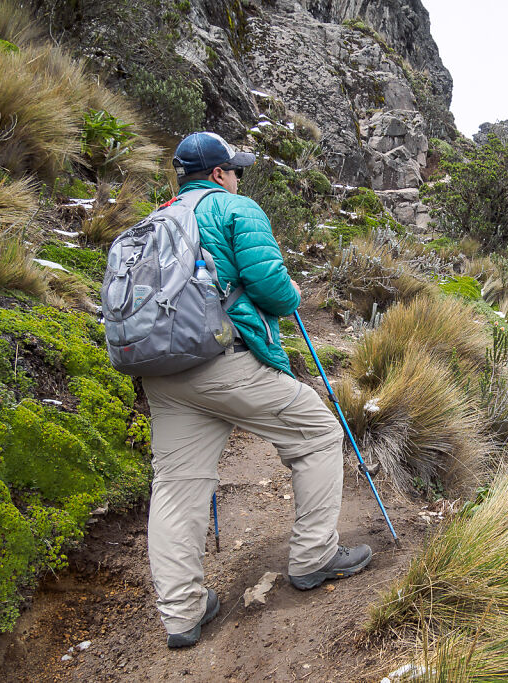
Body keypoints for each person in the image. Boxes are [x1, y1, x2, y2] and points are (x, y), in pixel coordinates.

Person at [143, 131, 372, 649]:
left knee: (177, 483)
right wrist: (292, 292)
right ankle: (314, 557)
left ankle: (182, 614)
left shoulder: (156, 219)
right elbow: (271, 289)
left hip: (161, 370)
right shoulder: (235, 208)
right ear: (220, 174)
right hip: (223, 358)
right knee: (316, 430)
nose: (238, 176)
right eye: (234, 169)